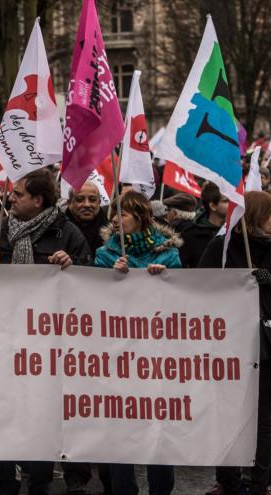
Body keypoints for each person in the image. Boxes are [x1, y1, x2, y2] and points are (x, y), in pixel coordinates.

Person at [0, 169, 90, 495]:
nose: (10, 197)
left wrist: (73, 267)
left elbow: (93, 289)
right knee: (3, 415)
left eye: (19, 194)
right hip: (1, 341)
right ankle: (4, 482)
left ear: (38, 200)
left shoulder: (68, 235)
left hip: (46, 348)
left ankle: (40, 482)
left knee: (40, 419)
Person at [199, 191, 271, 495]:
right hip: (228, 346)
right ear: (255, 215)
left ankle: (259, 484)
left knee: (262, 423)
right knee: (229, 417)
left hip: (265, 348)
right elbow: (198, 288)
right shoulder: (223, 246)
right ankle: (228, 482)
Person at [94, 191, 180, 495]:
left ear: (141, 216)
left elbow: (183, 305)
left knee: (158, 428)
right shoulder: (105, 255)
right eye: (114, 215)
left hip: (157, 358)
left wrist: (165, 277)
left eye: (124, 214)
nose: (117, 220)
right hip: (118, 357)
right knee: (121, 428)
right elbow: (92, 303)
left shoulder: (168, 255)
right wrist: (110, 277)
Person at [179, 182, 227, 268]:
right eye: (226, 201)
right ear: (212, 206)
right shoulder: (190, 234)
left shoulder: (236, 232)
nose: (232, 205)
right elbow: (178, 266)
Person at [65, 181, 109, 255]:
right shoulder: (58, 231)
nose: (87, 205)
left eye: (92, 200)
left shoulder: (113, 235)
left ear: (99, 202)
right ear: (69, 203)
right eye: (80, 200)